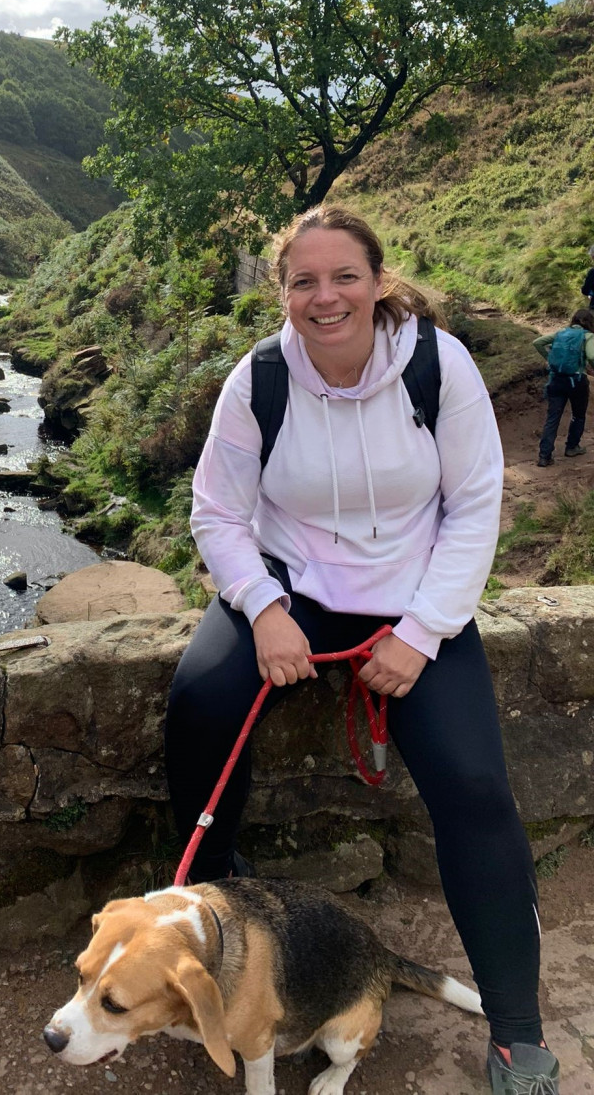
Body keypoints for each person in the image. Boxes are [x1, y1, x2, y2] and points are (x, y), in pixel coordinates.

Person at [166, 204, 559, 1094]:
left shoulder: (438, 366)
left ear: (378, 281)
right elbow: (218, 514)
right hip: (290, 589)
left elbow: (474, 507)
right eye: (303, 281)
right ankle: (215, 920)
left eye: (344, 276)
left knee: (473, 787)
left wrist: (421, 635)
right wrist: (264, 609)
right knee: (198, 706)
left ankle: (517, 1032)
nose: (325, 296)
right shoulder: (259, 378)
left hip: (414, 604)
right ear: (284, 293)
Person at [532, 310, 594, 466]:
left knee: (552, 418)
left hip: (556, 380)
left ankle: (544, 456)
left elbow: (537, 342)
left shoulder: (561, 333)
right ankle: (572, 447)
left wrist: (550, 359)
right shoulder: (588, 336)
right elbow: (592, 356)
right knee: (578, 415)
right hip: (577, 381)